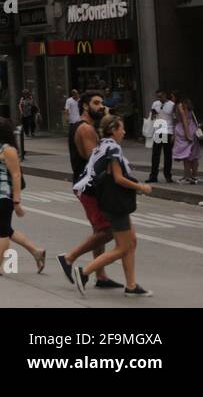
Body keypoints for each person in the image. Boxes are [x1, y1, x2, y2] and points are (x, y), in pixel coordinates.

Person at [70, 116, 152, 296]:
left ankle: (131, 285)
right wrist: (141, 187)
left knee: (131, 242)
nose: (124, 132)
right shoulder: (113, 147)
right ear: (113, 129)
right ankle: (84, 272)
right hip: (114, 201)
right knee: (123, 247)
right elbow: (118, 178)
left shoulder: (102, 144)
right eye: (121, 128)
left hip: (105, 198)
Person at [56, 91, 121, 290]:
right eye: (96, 103)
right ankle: (69, 258)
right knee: (108, 230)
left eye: (102, 102)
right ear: (85, 106)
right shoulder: (85, 129)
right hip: (90, 186)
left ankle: (100, 276)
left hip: (89, 184)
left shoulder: (89, 127)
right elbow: (95, 159)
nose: (101, 106)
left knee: (98, 229)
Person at [0, 116, 46, 277]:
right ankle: (37, 252)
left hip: (4, 194)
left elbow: (16, 175)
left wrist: (16, 202)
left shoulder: (8, 150)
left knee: (2, 231)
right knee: (6, 229)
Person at [145, 90, 174, 183]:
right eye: (158, 97)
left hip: (167, 130)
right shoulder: (155, 103)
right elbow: (152, 116)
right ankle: (153, 176)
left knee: (167, 154)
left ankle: (167, 175)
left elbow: (174, 118)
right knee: (156, 154)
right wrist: (153, 114)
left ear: (165, 95)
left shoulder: (171, 104)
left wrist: (174, 133)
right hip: (158, 130)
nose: (159, 99)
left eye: (161, 96)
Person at [172, 94, 201, 184]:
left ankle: (187, 177)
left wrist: (187, 134)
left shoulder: (180, 106)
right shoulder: (189, 106)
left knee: (186, 156)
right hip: (193, 128)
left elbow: (184, 120)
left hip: (184, 131)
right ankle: (195, 176)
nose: (171, 98)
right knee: (194, 155)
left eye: (172, 96)